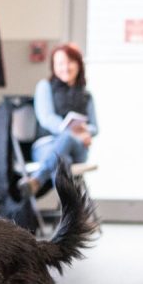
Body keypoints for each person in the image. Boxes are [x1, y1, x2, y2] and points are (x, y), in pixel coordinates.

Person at [18, 42, 99, 198]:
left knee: (67, 139)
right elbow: (46, 118)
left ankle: (36, 179)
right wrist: (68, 129)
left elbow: (95, 127)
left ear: (78, 64)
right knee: (63, 161)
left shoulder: (86, 96)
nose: (65, 67)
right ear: (53, 66)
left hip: (78, 146)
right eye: (60, 63)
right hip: (46, 146)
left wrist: (84, 131)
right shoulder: (45, 86)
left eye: (70, 62)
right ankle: (73, 216)